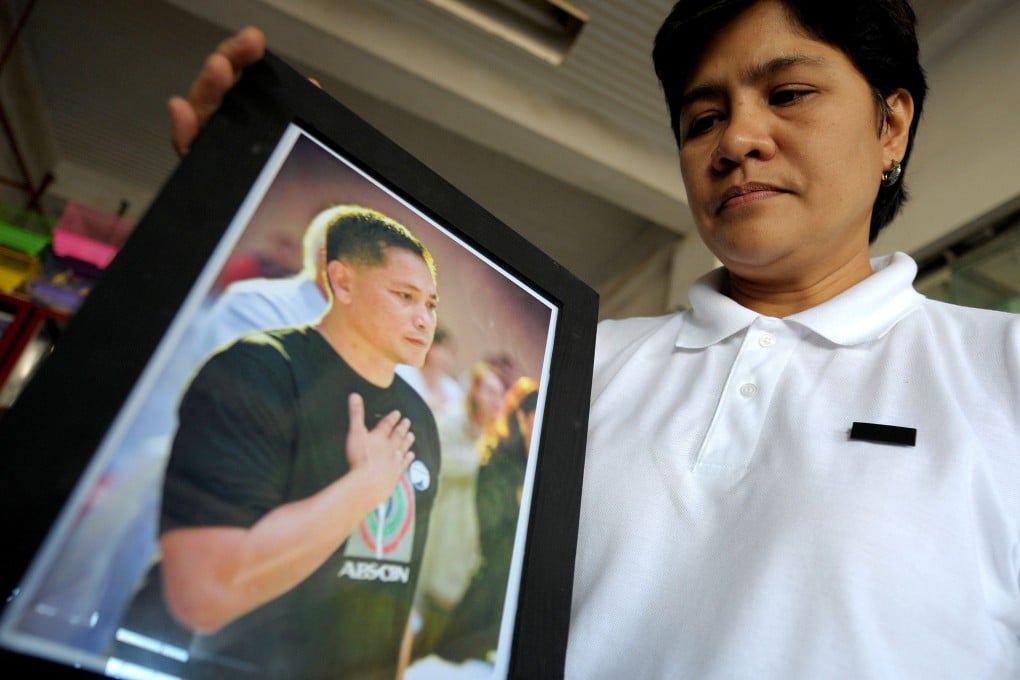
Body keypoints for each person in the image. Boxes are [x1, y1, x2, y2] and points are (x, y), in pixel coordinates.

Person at [169, 2, 1019, 677]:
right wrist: (233, 200)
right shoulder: (583, 363)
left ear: (891, 125)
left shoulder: (999, 372)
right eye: (703, 118)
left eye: (788, 94)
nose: (736, 140)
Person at [157, 206, 442, 679]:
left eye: (431, 304)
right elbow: (202, 595)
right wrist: (362, 490)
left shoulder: (419, 417)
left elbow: (396, 586)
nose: (424, 319)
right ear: (342, 282)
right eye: (405, 296)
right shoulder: (257, 370)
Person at [413, 361, 506, 657]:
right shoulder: (453, 421)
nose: (496, 400)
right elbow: (436, 459)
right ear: (474, 392)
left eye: (500, 393)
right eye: (490, 391)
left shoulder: (494, 437)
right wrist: (480, 457)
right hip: (440, 527)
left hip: (466, 539)